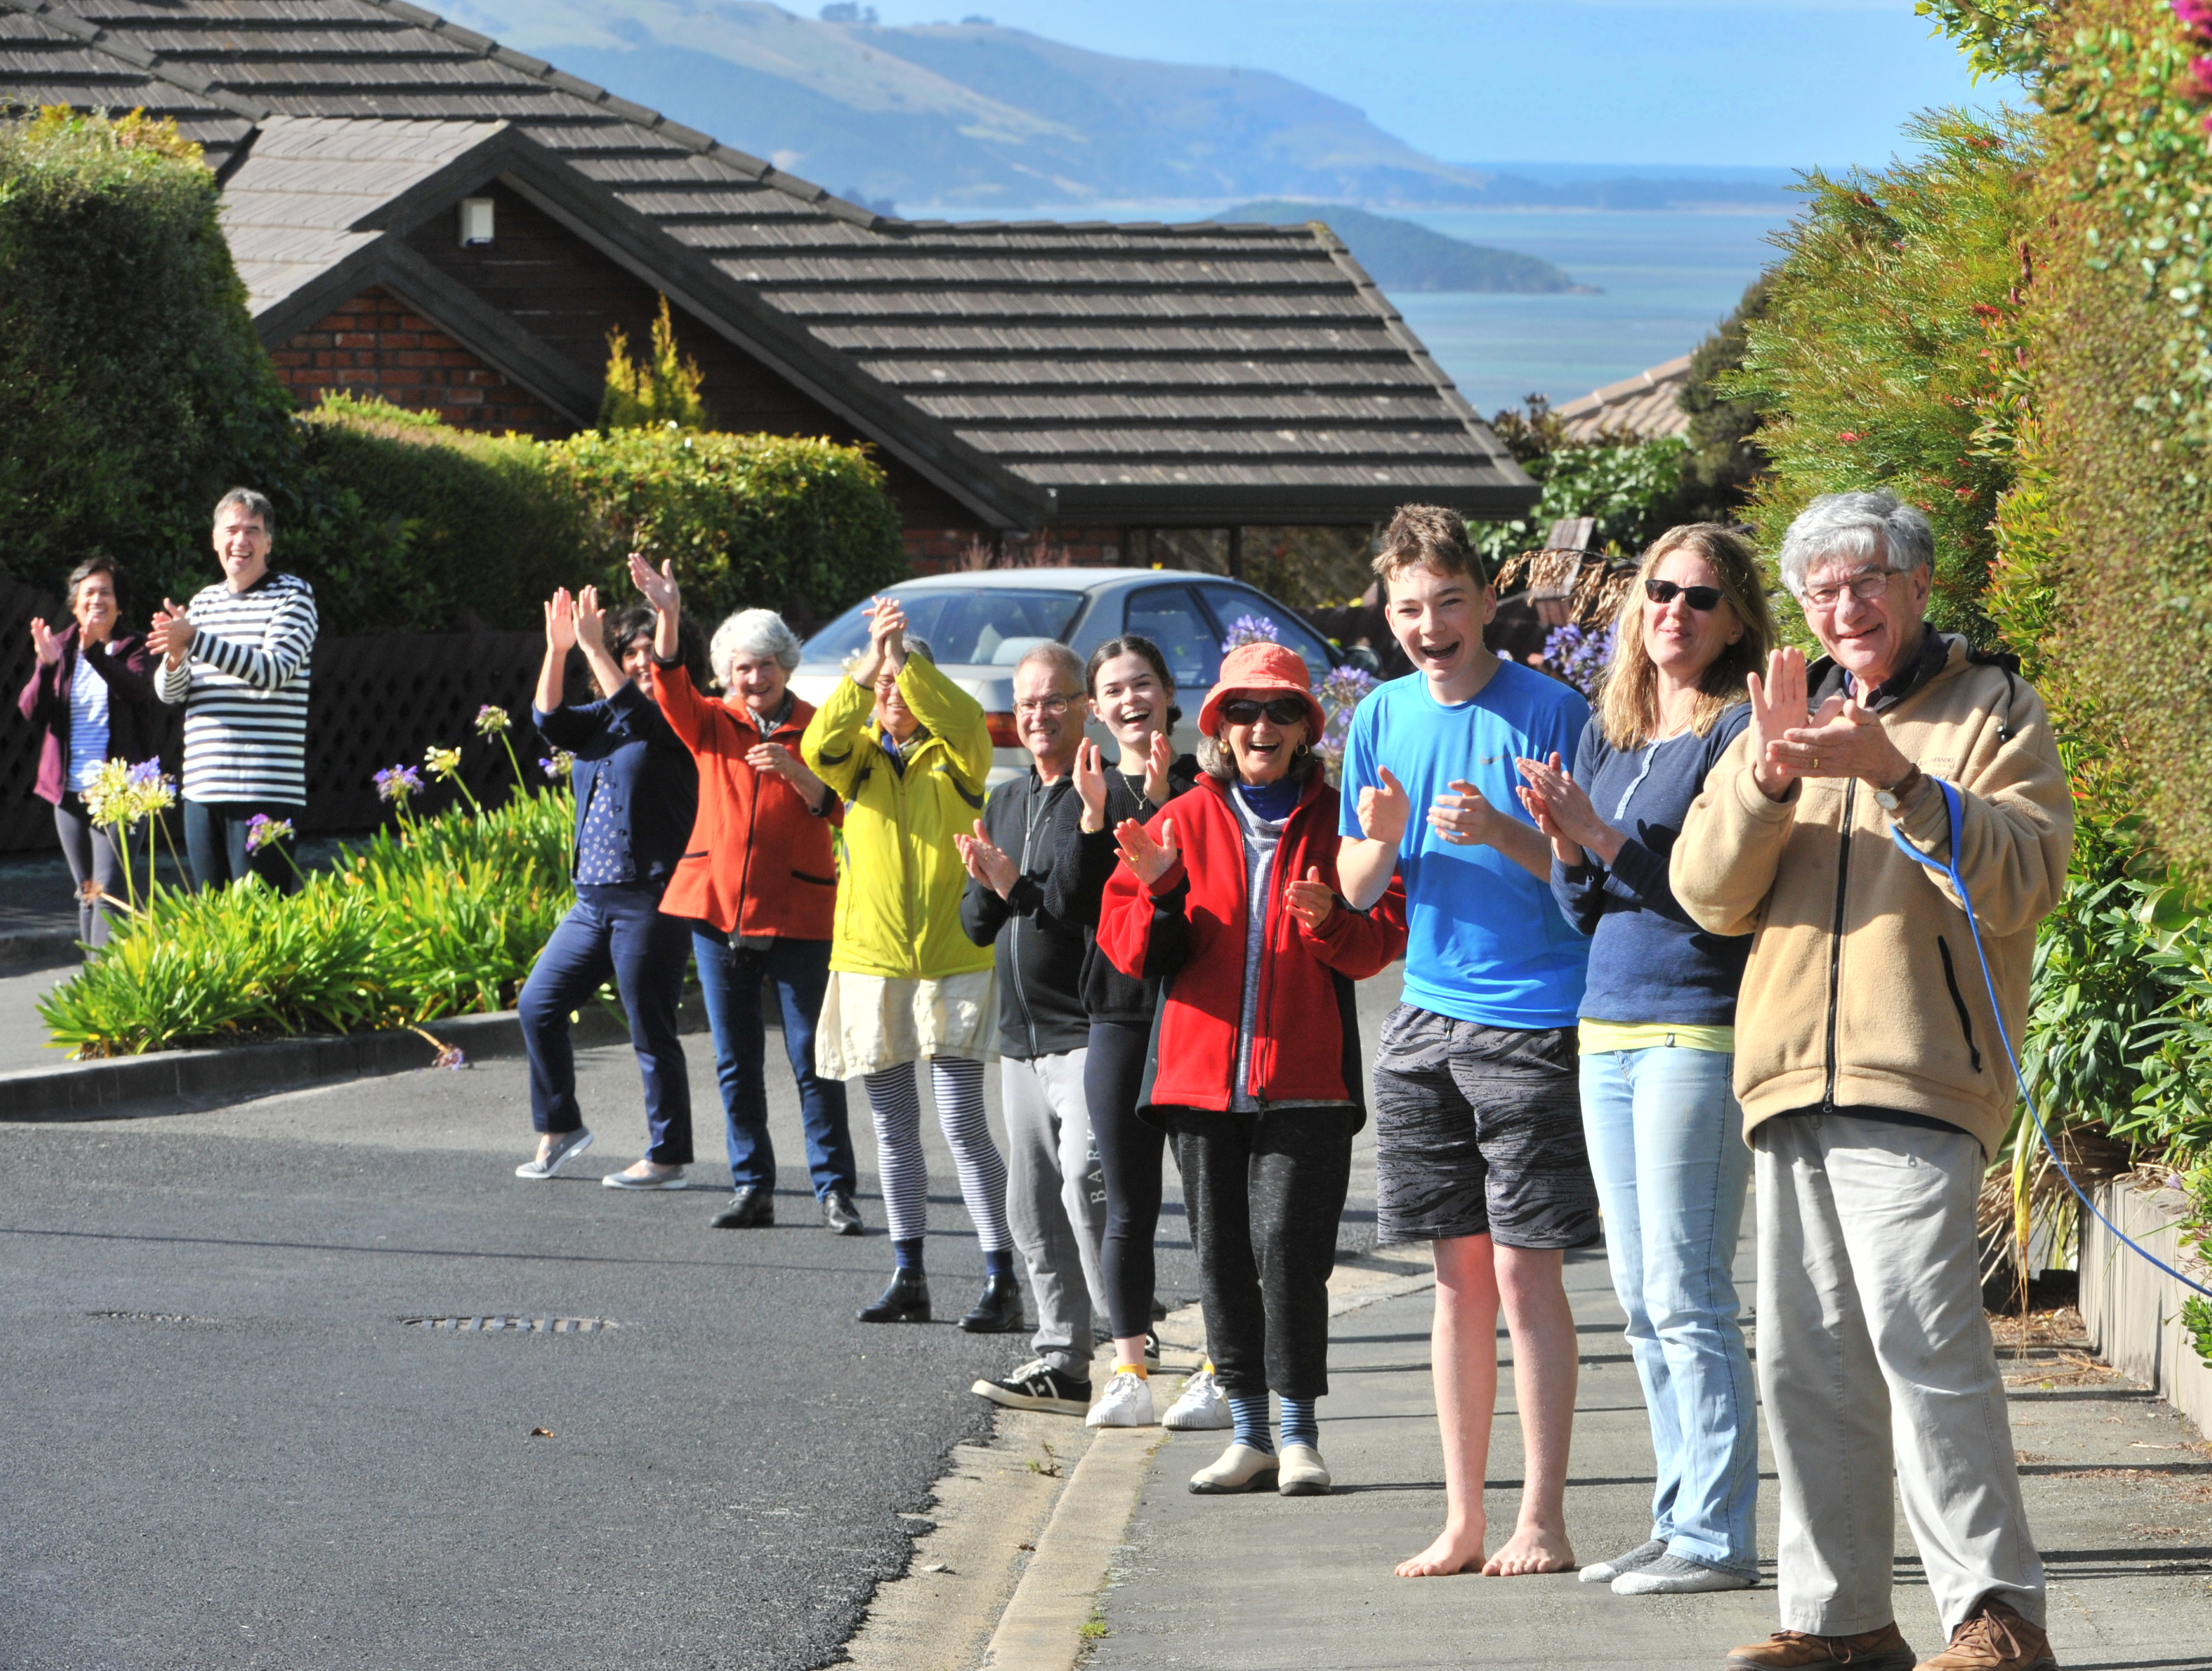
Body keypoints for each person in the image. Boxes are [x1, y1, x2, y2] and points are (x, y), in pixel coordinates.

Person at [1675, 492, 2072, 1671]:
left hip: (1923, 1075)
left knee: (1923, 1344)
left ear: (1917, 587)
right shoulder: (1780, 717)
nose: (1846, 608)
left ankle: (1995, 1616)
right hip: (1789, 1079)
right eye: (1823, 591)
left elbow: (2025, 877)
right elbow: (1706, 892)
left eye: (1867, 583)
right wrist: (1770, 778)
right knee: (1808, 1365)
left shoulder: (1994, 709)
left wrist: (1899, 779)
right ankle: (1842, 1623)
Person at [1511, 525, 1775, 1597]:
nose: (1674, 610)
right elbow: (1586, 910)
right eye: (1659, 591)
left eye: (1700, 598)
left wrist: (1603, 840)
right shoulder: (1613, 730)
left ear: (1736, 620)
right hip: (1607, 1025)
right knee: (1636, 1294)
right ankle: (1679, 1522)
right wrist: (1567, 842)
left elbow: (1724, 902)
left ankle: (1718, 1533)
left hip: (1695, 1025)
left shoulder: (1741, 732)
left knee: (1688, 1288)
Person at [1334, 503, 1596, 1578]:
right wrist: (1385, 842)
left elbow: (1593, 875)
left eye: (1450, 601)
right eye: (1409, 607)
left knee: (1529, 1278)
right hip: (1424, 1019)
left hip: (1535, 1018)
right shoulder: (1380, 716)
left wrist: (1503, 832)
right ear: (1386, 615)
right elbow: (1354, 891)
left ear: (1489, 602)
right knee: (1457, 1281)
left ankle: (1543, 1517)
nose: (1431, 623)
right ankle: (1463, 1519)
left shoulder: (1554, 710)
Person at [1100, 641, 1407, 1498]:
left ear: (1307, 726)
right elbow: (1130, 951)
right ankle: (1248, 1434)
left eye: (1279, 711)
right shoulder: (1180, 819)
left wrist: (1326, 923)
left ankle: (1300, 1434)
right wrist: (1160, 892)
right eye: (1241, 711)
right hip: (1197, 1084)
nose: (1259, 726)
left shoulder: (1344, 819)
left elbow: (1381, 940)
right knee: (1223, 1258)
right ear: (1218, 729)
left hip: (1308, 1081)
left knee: (1288, 1250)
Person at [803, 595, 1022, 1332]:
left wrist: (905, 660)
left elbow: (961, 719)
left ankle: (1000, 1275)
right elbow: (816, 746)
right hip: (871, 961)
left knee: (962, 1122)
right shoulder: (856, 763)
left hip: (954, 959)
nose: (891, 694)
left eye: (904, 682)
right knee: (893, 1127)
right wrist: (871, 665)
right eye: (882, 687)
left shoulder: (960, 758)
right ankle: (910, 1273)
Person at [627, 554, 862, 1236]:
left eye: (764, 665)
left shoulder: (821, 727)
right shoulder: (709, 721)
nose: (752, 679)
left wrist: (797, 772)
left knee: (813, 1060)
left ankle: (834, 1190)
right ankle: (752, 1186)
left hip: (800, 910)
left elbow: (847, 809)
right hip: (716, 909)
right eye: (740, 668)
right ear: (725, 675)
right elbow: (668, 686)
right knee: (736, 1062)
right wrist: (668, 613)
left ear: (786, 666)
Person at [1045, 635, 1214, 1430]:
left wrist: (1158, 807)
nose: (1128, 698)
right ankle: (1128, 1371)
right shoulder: (1088, 788)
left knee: (1213, 1202)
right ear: (1096, 706)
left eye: (1141, 683)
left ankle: (1222, 1365)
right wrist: (1092, 816)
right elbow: (1068, 909)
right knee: (1124, 1203)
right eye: (1112, 689)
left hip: (1194, 1016)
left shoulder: (1205, 785)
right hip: (1115, 1018)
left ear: (1168, 692)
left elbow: (1209, 903)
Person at [955, 641, 1113, 1415]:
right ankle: (1063, 1360)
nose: (1038, 716)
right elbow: (978, 925)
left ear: (1085, 706)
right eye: (1025, 705)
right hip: (1019, 1038)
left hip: (1086, 1027)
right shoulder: (1008, 799)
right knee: (1032, 1203)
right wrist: (984, 883)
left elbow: (1080, 910)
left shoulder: (1104, 795)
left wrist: (1013, 884)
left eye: (1054, 700)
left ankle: (1130, 1355)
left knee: (1088, 1190)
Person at [514, 586, 700, 1190]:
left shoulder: (676, 719)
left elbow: (641, 713)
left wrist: (596, 649)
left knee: (649, 1027)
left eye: (650, 651)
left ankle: (667, 1156)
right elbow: (547, 721)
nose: (641, 660)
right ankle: (560, 1126)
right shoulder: (600, 722)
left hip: (650, 897)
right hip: (592, 900)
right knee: (538, 1006)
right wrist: (560, 649)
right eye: (630, 650)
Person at [148, 489, 314, 893]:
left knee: (260, 921)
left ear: (269, 543)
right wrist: (174, 659)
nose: (241, 541)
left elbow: (273, 670)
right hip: (203, 790)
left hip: (265, 790)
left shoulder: (294, 596)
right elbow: (171, 694)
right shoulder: (203, 603)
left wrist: (194, 640)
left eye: (253, 531)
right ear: (215, 539)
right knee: (213, 918)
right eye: (232, 530)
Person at [18, 558, 159, 949]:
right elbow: (32, 710)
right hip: (69, 794)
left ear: (120, 604)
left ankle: (106, 993)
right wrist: (46, 666)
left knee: (111, 894)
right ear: (76, 603)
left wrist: (95, 651)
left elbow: (137, 690)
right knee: (89, 892)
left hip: (121, 794)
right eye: (89, 592)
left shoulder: (135, 647)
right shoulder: (58, 647)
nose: (98, 599)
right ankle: (96, 988)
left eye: (107, 592)